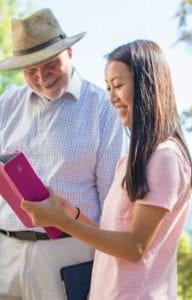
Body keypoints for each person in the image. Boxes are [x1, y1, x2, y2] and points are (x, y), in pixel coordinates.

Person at [22, 39, 192, 300]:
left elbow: (135, 247)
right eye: (107, 87)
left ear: (146, 85)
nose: (112, 97)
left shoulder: (165, 158)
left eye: (118, 85)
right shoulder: (132, 160)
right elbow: (114, 237)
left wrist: (62, 222)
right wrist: (71, 212)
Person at [0, 8, 123, 300]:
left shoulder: (103, 110)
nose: (42, 77)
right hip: (5, 252)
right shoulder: (6, 104)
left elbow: (111, 204)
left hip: (68, 255)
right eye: (31, 69)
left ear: (69, 52)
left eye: (50, 64)